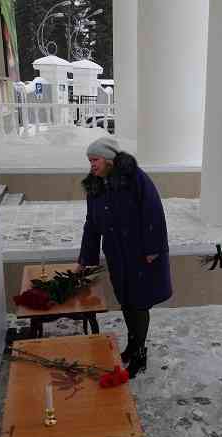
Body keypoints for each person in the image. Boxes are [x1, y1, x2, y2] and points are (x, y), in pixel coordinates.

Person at [76, 137, 172, 378]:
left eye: (95, 160)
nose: (92, 166)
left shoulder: (135, 179)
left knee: (139, 303)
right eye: (90, 161)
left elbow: (153, 212)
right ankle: (132, 345)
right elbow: (92, 225)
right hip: (117, 256)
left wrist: (152, 250)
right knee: (127, 302)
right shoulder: (96, 186)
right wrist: (85, 258)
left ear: (109, 160)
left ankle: (139, 353)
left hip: (140, 255)